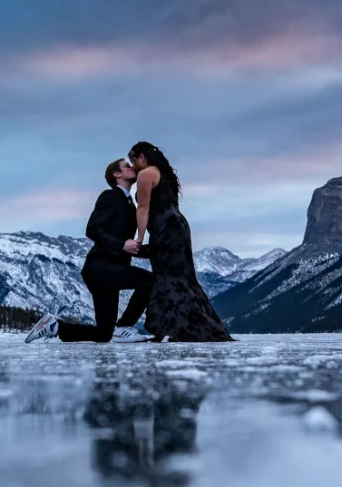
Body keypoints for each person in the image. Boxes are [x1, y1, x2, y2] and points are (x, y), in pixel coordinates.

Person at [26, 159, 152, 343]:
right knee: (149, 281)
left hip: (107, 271)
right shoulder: (110, 196)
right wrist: (121, 245)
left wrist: (156, 250)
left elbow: (125, 244)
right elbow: (92, 228)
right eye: (127, 166)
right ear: (117, 174)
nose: (132, 167)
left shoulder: (130, 203)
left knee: (104, 334)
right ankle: (124, 326)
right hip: (102, 269)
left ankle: (56, 326)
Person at [129, 141, 233, 342]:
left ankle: (179, 328)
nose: (133, 166)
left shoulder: (146, 174)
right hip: (178, 226)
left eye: (133, 160)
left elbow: (143, 208)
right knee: (182, 276)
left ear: (141, 157)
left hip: (164, 226)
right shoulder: (164, 173)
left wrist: (140, 237)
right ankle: (186, 328)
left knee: (167, 276)